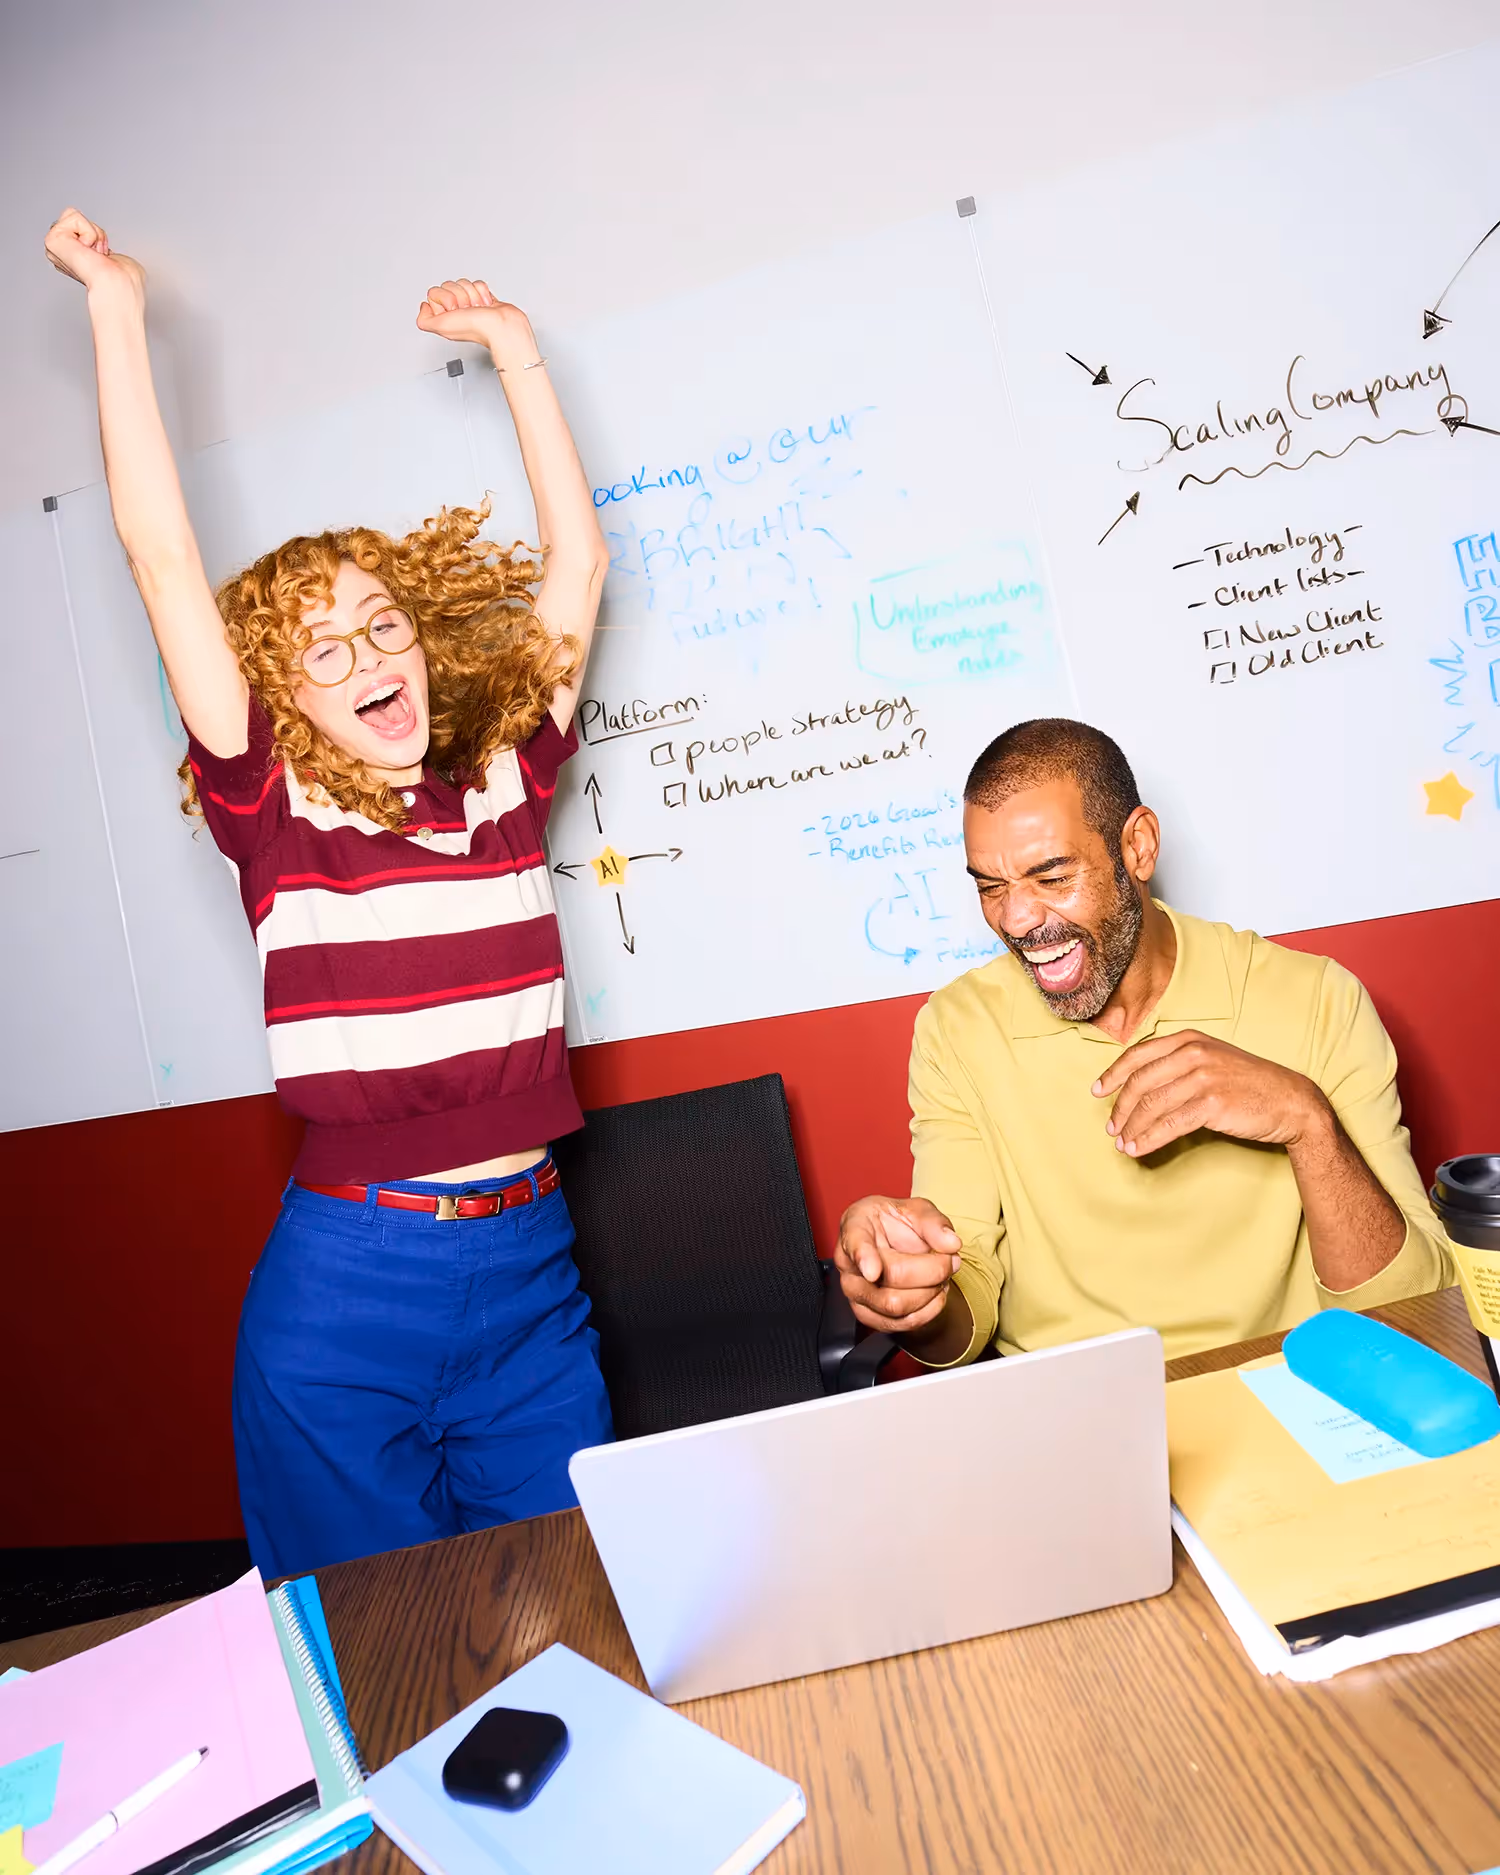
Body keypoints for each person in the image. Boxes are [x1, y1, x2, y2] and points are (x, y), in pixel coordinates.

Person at [45, 206, 615, 1576]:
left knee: (582, 1594)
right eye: (324, 650)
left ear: (421, 640)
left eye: (382, 624)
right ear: (283, 697)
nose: (368, 657)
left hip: (532, 1266)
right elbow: (161, 560)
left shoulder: (505, 776)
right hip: (356, 1285)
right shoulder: (272, 809)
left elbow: (580, 565)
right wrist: (115, 311)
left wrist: (516, 351)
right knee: (378, 1646)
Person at [833, 718, 1454, 1365]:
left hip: (1289, 1383)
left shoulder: (1318, 999)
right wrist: (914, 1291)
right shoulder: (957, 1027)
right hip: (1077, 1402)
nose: (1016, 919)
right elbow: (964, 1301)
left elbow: (1413, 1307)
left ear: (1138, 846)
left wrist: (1306, 1120)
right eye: (991, 886)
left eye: (1051, 876)